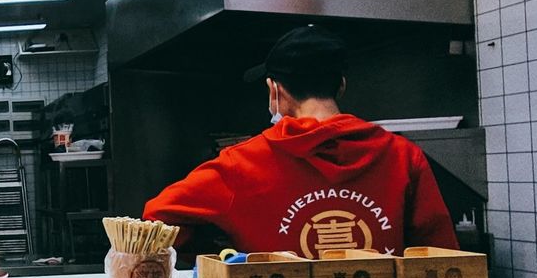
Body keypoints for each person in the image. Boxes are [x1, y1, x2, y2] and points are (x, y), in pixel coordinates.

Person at [143, 26, 457, 259]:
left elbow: (154, 221)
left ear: (274, 91)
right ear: (342, 85)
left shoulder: (240, 164)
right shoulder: (403, 156)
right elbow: (442, 254)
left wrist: (218, 251)